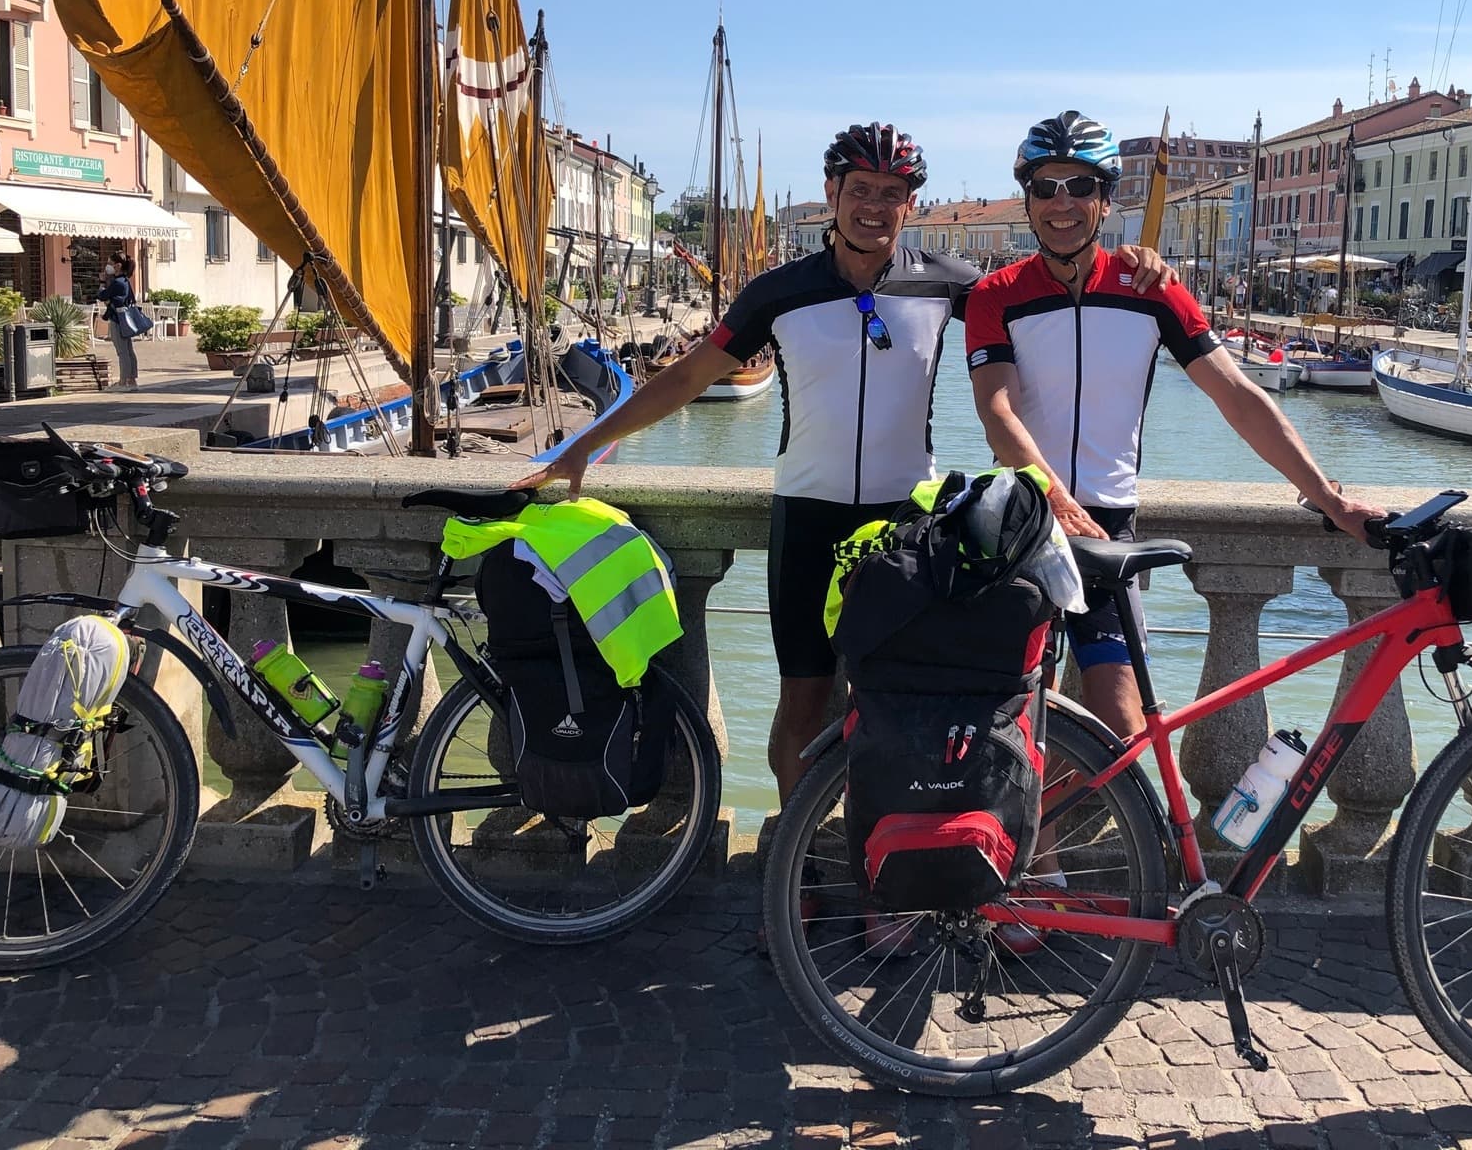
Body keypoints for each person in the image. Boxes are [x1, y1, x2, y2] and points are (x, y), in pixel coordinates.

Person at [513, 122, 1177, 804]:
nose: (875, 205)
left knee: (900, 700)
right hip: (806, 520)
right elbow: (685, 378)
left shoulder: (952, 285)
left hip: (905, 530)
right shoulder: (778, 291)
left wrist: (1137, 262)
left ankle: (879, 863)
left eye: (893, 192)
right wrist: (583, 444)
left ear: (912, 205)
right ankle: (798, 859)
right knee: (803, 698)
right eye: (860, 188)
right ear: (831, 192)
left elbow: (1047, 291)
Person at [966, 112, 1380, 749]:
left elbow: (1237, 396)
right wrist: (1054, 499)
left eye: (1079, 186)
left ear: (1106, 200)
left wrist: (1329, 498)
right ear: (1027, 202)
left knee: (1123, 727)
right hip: (1023, 520)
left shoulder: (1149, 289)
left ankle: (1081, 841)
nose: (1062, 203)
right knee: (1008, 728)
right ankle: (1034, 852)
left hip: (1108, 528)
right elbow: (999, 412)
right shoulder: (997, 294)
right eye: (1045, 188)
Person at [100, 253, 140, 391]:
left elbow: (102, 295)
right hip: (126, 319)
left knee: (122, 351)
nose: (107, 266)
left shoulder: (118, 282)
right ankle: (132, 380)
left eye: (110, 263)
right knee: (128, 350)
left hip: (118, 319)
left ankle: (123, 382)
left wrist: (102, 283)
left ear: (117, 265)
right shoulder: (125, 281)